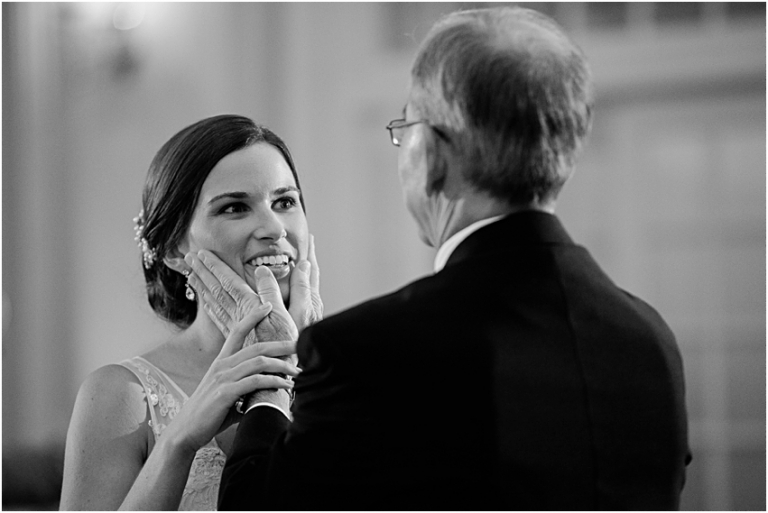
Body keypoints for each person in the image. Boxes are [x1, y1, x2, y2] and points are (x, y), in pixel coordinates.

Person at [197, 6, 691, 510]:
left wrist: (273, 375)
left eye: (405, 125)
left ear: (432, 153)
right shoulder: (648, 338)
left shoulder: (365, 352)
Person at [59, 114, 321, 510]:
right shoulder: (122, 397)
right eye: (235, 207)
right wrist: (180, 440)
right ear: (172, 249)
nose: (274, 227)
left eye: (284, 201)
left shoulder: (350, 373)